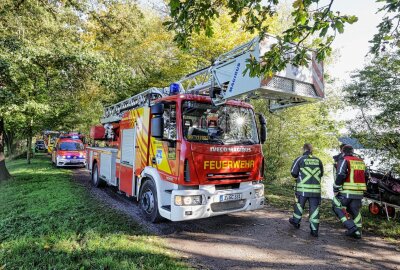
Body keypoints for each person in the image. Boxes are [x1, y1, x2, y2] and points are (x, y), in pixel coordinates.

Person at [289, 143, 324, 237]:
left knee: (299, 206)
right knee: (315, 210)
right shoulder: (318, 160)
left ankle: (296, 222)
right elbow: (321, 174)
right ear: (311, 150)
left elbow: (293, 173)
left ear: (303, 149)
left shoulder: (300, 159)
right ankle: (314, 230)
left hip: (302, 190)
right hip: (316, 191)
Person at [332, 145, 367, 239]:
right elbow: (365, 175)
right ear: (352, 151)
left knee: (336, 206)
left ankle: (351, 227)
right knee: (355, 210)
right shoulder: (361, 161)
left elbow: (340, 174)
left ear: (343, 151)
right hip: (359, 192)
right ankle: (358, 233)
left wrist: (336, 187)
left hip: (347, 191)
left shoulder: (344, 159)